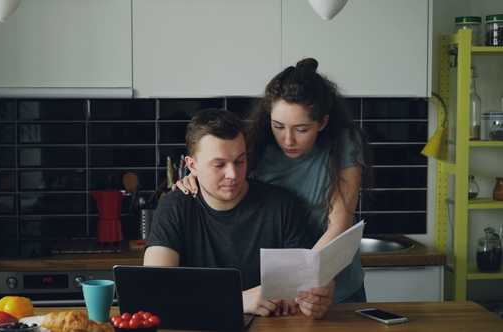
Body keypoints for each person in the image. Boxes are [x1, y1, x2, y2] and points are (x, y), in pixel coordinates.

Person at [174, 58, 374, 303]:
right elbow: (220, 170)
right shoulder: (258, 143)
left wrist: (300, 283)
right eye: (278, 126)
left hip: (334, 286)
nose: (287, 140)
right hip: (278, 290)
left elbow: (339, 225)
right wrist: (191, 178)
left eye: (301, 129)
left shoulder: (344, 143)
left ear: (322, 122)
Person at [144, 108, 334, 319]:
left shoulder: (280, 204)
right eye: (219, 164)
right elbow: (155, 293)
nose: (233, 174)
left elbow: (309, 280)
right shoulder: (174, 207)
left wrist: (316, 299)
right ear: (192, 166)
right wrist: (237, 300)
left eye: (239, 161)